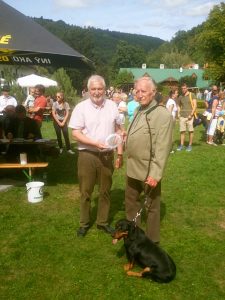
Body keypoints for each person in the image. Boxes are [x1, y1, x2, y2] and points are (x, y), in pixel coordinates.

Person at [69, 75, 124, 237]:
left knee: (105, 191)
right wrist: (94, 143)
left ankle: (102, 222)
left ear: (105, 90)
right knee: (86, 191)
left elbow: (119, 131)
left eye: (100, 88)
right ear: (88, 90)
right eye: (93, 89)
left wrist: (119, 154)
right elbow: (75, 133)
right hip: (87, 155)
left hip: (107, 155)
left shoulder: (113, 106)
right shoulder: (81, 107)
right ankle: (84, 223)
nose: (97, 92)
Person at [125, 76, 173, 244]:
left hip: (148, 171)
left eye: (143, 91)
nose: (139, 94)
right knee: (131, 203)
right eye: (137, 91)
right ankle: (134, 236)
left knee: (152, 207)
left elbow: (163, 147)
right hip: (132, 167)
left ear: (153, 92)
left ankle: (152, 242)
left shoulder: (162, 115)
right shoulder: (138, 110)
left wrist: (156, 173)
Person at [177, 83, 197, 152]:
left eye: (184, 88)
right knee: (182, 131)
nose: (183, 89)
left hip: (190, 117)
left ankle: (190, 145)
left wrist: (191, 115)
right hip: (182, 116)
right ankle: (181, 145)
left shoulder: (192, 95)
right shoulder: (180, 96)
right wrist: (178, 114)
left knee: (190, 131)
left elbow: (195, 105)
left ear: (187, 88)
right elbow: (178, 105)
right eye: (182, 88)